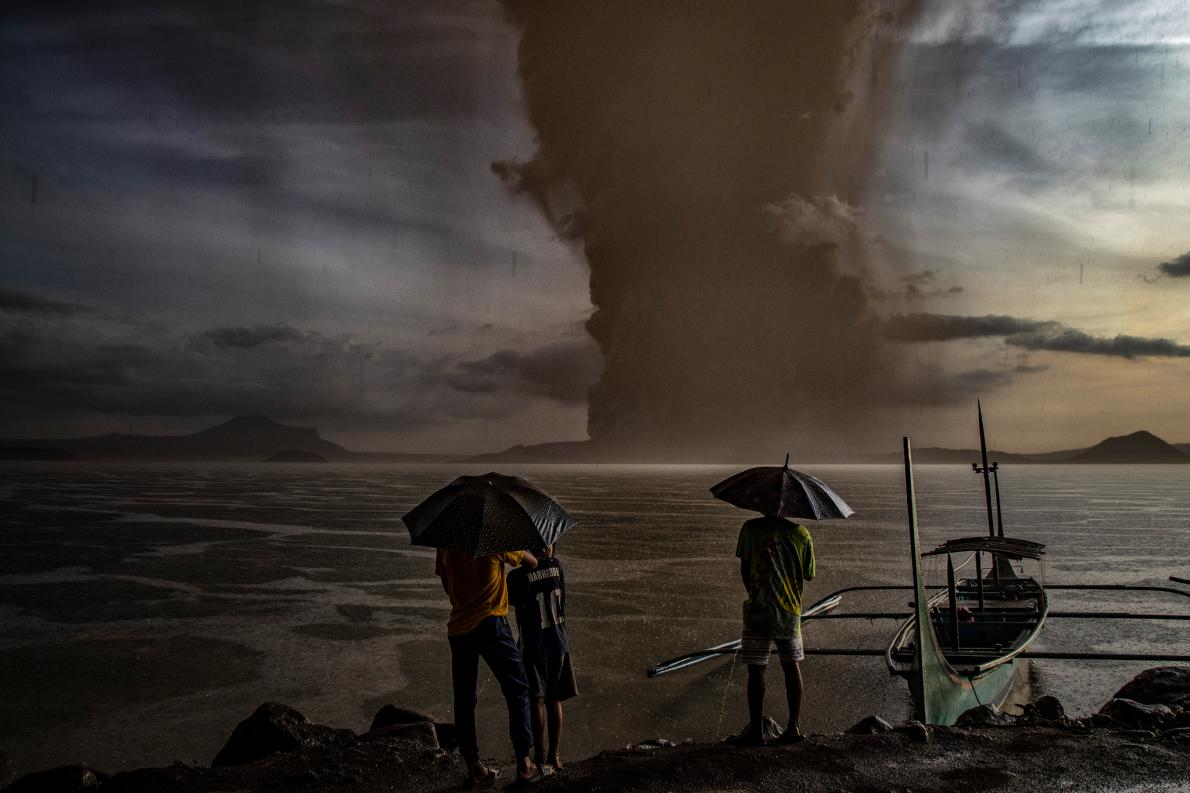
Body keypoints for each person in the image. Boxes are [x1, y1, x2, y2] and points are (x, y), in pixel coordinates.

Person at [436, 547, 543, 787]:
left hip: (459, 628)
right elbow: (532, 563)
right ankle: (525, 763)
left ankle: (474, 766)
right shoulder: (494, 537)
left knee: (464, 699)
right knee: (518, 689)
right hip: (491, 622)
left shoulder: (446, 542)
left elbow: (446, 585)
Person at [733, 512, 815, 745]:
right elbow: (808, 574)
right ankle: (793, 727)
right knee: (792, 667)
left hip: (759, 611)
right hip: (790, 613)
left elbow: (745, 569)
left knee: (756, 671)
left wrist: (756, 592)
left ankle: (757, 732)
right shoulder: (802, 534)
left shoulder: (750, 528)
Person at [507, 544, 578, 771]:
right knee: (554, 699)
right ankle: (555, 756)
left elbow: (517, 610)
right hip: (558, 642)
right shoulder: (557, 567)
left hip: (534, 645)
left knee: (536, 700)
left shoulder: (518, 576)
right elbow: (562, 604)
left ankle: (539, 756)